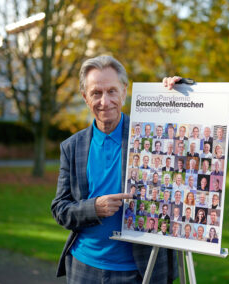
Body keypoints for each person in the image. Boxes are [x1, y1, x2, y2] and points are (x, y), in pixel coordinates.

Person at [51, 56, 180, 282]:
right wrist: (95, 208)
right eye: (96, 93)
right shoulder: (72, 147)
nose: (105, 101)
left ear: (124, 91)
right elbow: (60, 209)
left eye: (112, 91)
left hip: (138, 270)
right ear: (85, 97)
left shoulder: (150, 137)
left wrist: (176, 93)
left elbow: (185, 133)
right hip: (83, 267)